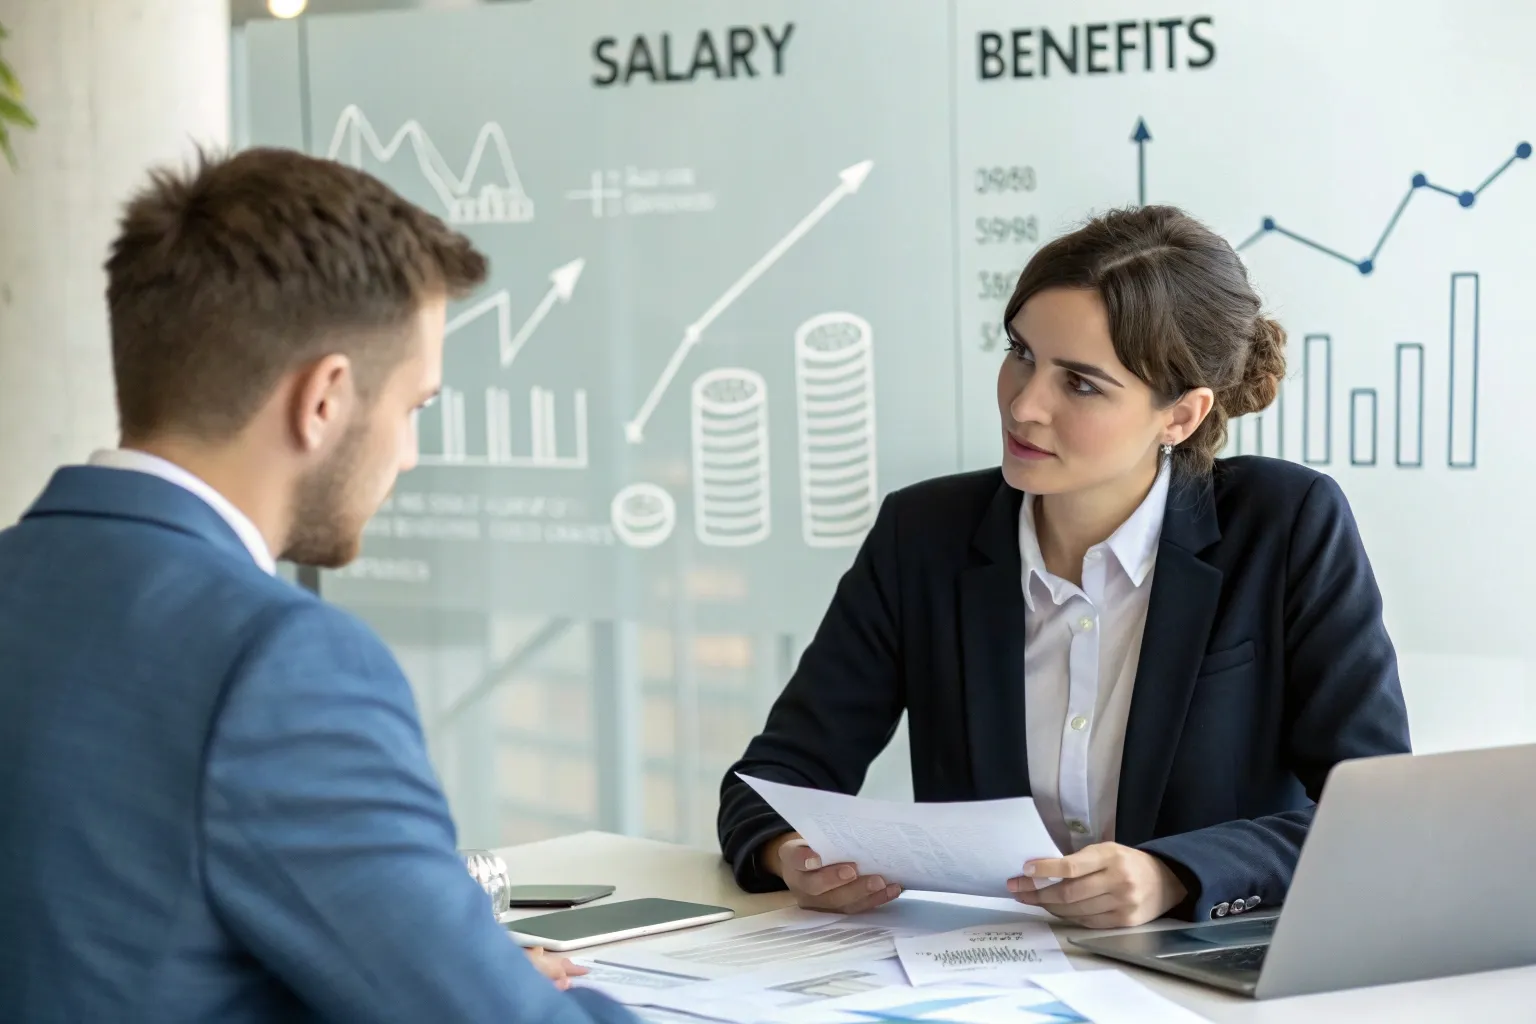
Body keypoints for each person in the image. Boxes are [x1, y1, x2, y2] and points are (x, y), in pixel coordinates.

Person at [0, 148, 635, 1023]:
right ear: (326, 398)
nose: (409, 454)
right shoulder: (280, 664)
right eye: (414, 408)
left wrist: (442, 954)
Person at [718, 204, 1412, 929]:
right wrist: (788, 850)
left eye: (1079, 383)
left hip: (1200, 977)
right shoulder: (922, 535)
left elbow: (1377, 813)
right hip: (981, 978)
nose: (1024, 405)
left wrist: (1174, 875)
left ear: (1181, 415)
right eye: (1021, 354)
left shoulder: (1284, 523)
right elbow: (769, 781)